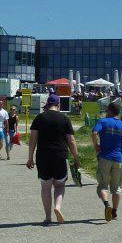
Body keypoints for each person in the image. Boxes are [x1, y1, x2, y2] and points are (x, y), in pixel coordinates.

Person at [27, 94, 79, 225]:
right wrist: (76, 157)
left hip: (43, 156)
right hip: (60, 155)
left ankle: (48, 217)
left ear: (47, 105)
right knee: (60, 185)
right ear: (58, 105)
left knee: (46, 187)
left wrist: (30, 158)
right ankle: (58, 207)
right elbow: (71, 141)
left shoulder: (39, 118)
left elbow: (32, 140)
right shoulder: (65, 119)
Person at [91, 101, 122, 222]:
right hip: (118, 159)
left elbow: (94, 133)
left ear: (109, 111)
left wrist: (96, 146)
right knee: (116, 187)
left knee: (103, 185)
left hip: (105, 157)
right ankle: (114, 211)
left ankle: (107, 205)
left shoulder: (102, 122)